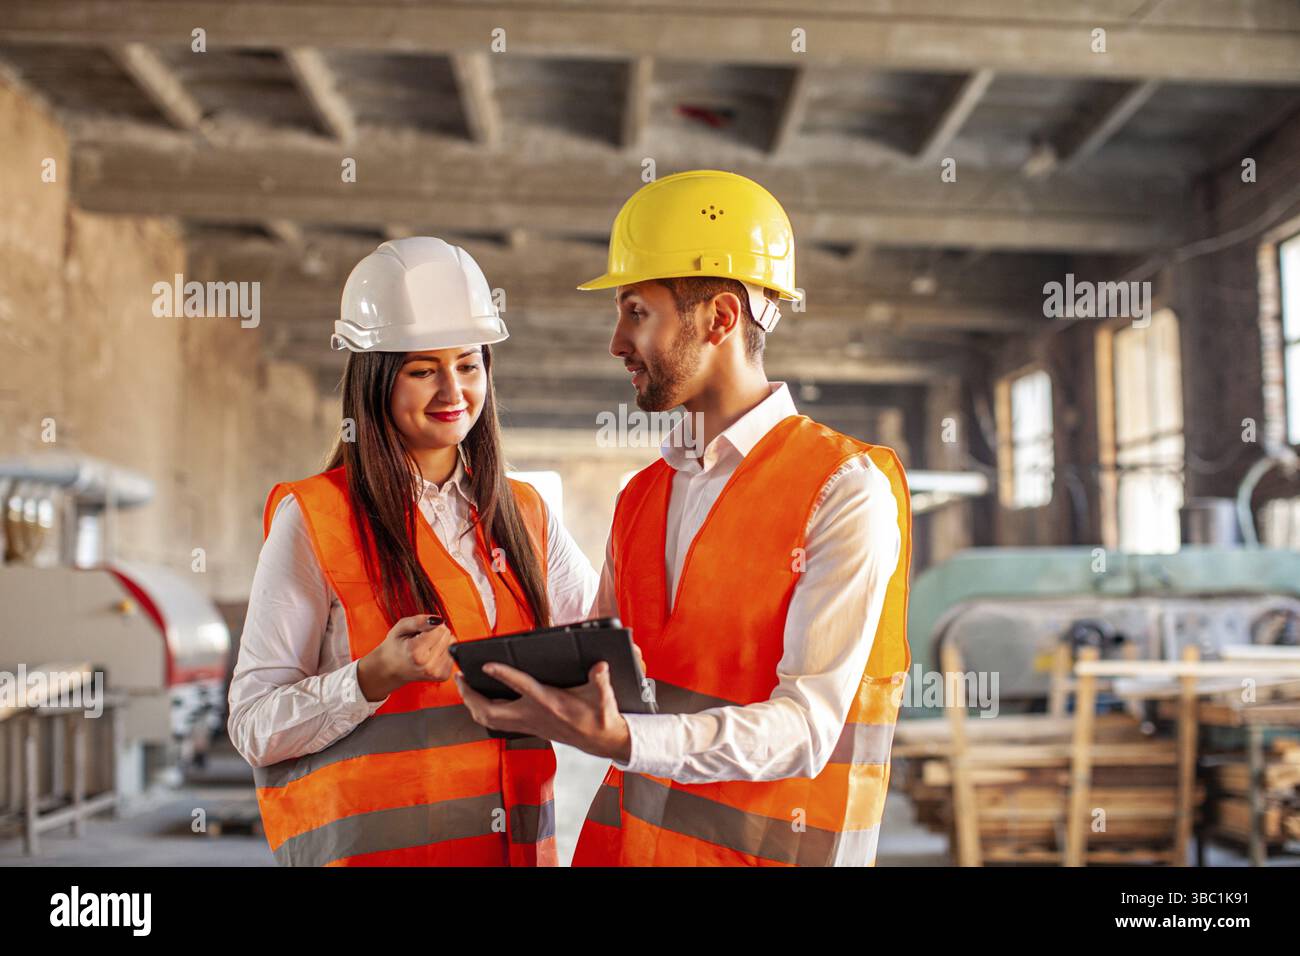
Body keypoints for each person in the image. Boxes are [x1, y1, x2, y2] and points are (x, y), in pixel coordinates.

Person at [456, 170, 912, 866]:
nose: (616, 341)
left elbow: (806, 728)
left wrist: (624, 740)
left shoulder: (844, 490)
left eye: (636, 311)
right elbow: (604, 674)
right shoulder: (642, 497)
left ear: (721, 318)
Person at [228, 237, 597, 866]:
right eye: (423, 369)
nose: (453, 389)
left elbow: (594, 649)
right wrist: (371, 676)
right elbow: (254, 725)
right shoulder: (316, 516)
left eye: (469, 363)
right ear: (375, 378)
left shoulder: (526, 513)